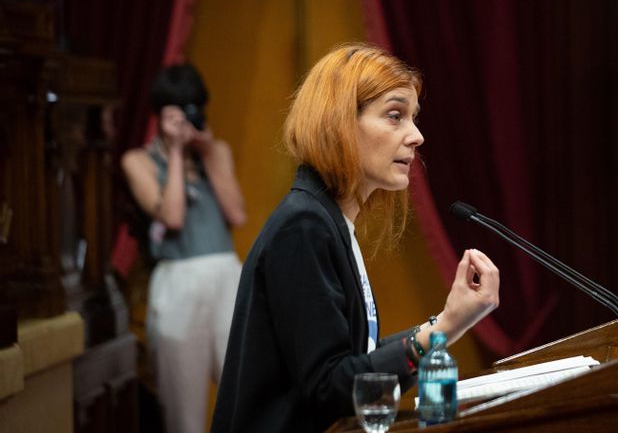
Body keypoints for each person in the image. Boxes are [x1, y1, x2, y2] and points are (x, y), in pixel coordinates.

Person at [211, 43, 501, 432]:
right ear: (340, 123)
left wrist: (440, 327)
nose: (416, 136)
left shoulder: (325, 218)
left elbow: (354, 361)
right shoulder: (304, 226)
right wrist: (443, 328)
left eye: (413, 118)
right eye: (395, 115)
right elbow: (330, 387)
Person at [121, 64, 247, 433]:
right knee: (183, 413)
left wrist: (206, 153)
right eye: (175, 113)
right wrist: (175, 154)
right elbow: (172, 216)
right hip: (177, 283)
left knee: (242, 393)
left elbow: (237, 214)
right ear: (158, 115)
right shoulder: (139, 161)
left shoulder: (215, 152)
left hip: (227, 278)